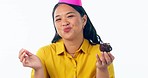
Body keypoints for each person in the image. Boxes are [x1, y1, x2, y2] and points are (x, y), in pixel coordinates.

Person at [18, 0, 115, 78]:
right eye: (58, 19)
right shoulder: (44, 54)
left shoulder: (100, 55)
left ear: (84, 20)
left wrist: (102, 69)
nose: (64, 23)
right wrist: (39, 69)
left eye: (70, 16)